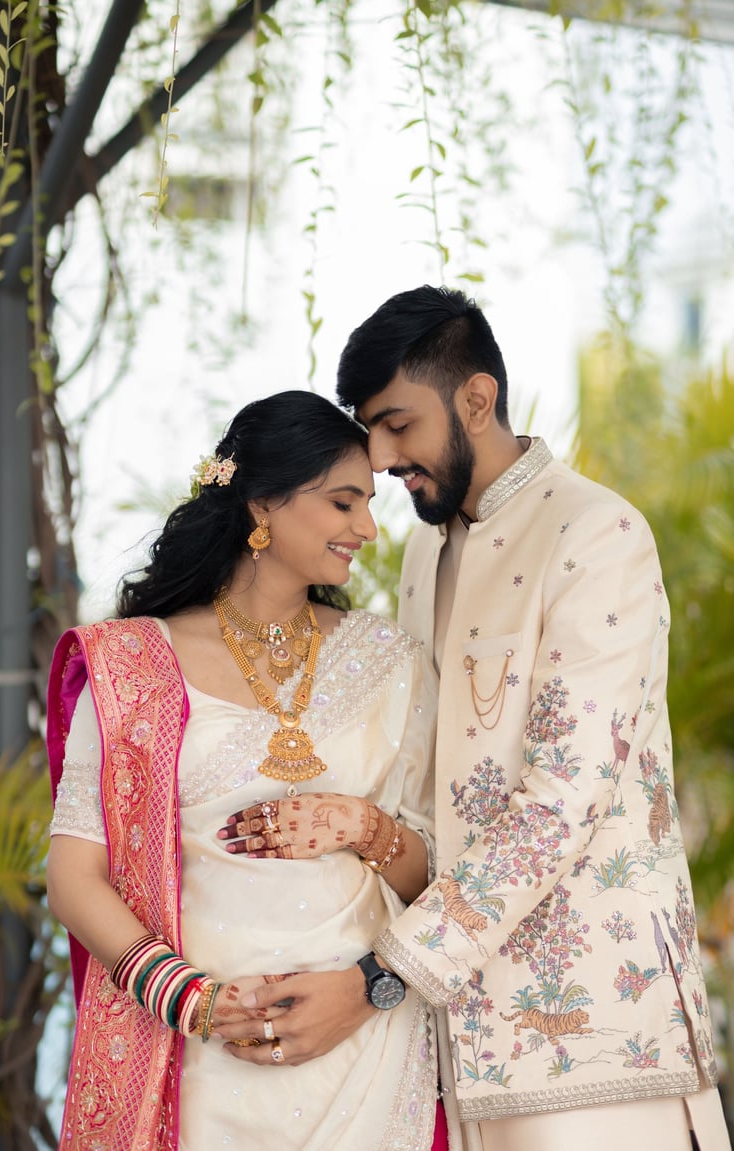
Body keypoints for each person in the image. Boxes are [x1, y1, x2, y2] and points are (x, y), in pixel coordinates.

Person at [326, 285, 729, 1151]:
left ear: (477, 398)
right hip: (459, 1033)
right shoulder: (427, 549)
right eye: (370, 429)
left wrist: (386, 973)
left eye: (398, 423)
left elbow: (563, 797)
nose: (381, 457)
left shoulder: (597, 534)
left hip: (595, 1033)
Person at [45, 390, 441, 1151]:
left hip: (368, 1048)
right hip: (203, 1055)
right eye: (342, 502)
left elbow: (437, 880)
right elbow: (73, 876)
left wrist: (363, 826)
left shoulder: (390, 661)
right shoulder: (135, 665)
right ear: (263, 503)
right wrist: (192, 1000)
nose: (366, 528)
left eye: (367, 503)